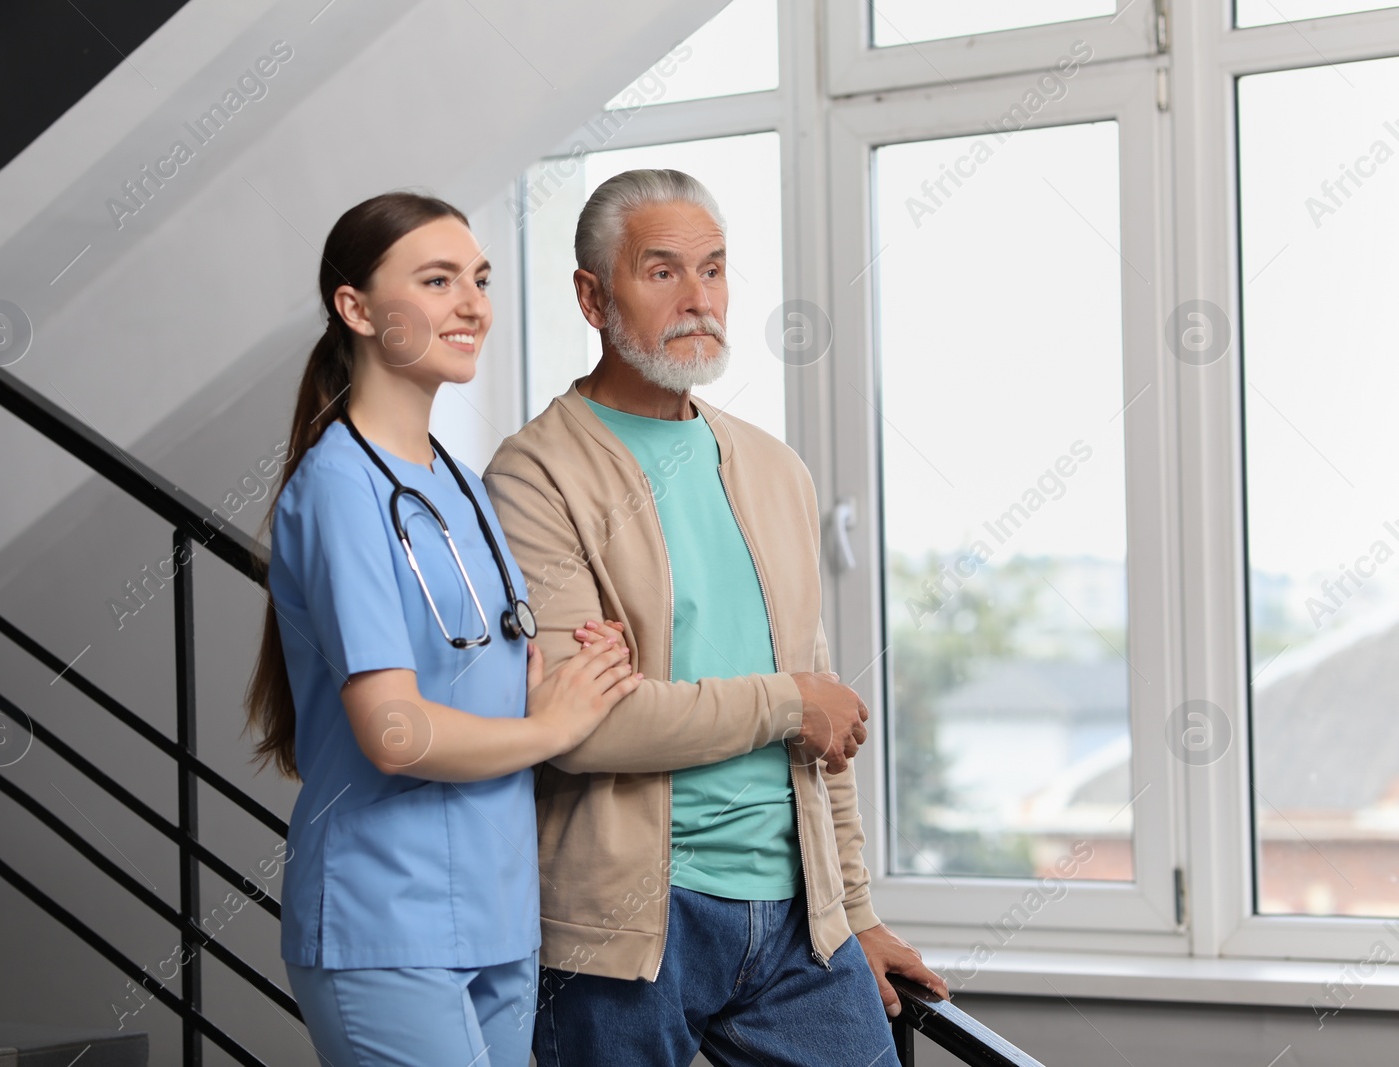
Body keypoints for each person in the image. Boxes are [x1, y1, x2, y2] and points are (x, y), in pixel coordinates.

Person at [482, 169, 949, 1066]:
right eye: (662, 273)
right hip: (623, 928)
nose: (698, 300)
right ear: (592, 295)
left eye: (715, 270)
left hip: (796, 923)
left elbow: (827, 727)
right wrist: (785, 701)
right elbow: (589, 728)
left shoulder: (775, 469)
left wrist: (855, 911)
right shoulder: (535, 475)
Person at [244, 190, 642, 1067]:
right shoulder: (340, 487)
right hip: (384, 916)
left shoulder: (461, 485)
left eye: (480, 280)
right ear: (354, 307)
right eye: (437, 280)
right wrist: (551, 725)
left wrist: (574, 674)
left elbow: (486, 673)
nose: (472, 305)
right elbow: (393, 729)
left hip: (499, 911)